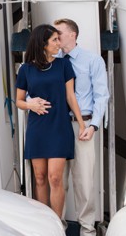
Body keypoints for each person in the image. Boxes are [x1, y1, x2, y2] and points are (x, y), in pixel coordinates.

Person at [15, 24, 87, 221]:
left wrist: (81, 123)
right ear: (43, 43)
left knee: (54, 178)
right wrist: (30, 104)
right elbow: (19, 101)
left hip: (59, 126)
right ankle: (44, 224)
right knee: (39, 178)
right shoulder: (26, 69)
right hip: (37, 128)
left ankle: (57, 225)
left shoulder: (63, 65)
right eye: (54, 40)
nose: (59, 43)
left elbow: (71, 97)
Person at [54, 18, 109, 236]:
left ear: (73, 34)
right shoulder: (50, 61)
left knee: (85, 180)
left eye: (59, 33)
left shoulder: (92, 60)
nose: (55, 37)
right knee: (56, 179)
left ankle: (87, 230)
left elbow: (101, 95)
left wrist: (94, 126)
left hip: (83, 125)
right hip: (57, 126)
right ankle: (57, 229)